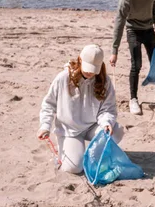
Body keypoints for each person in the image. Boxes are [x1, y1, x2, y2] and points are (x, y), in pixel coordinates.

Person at [37, 44, 124, 174]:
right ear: (80, 60)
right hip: (70, 130)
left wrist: (106, 122)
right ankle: (68, 146)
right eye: (88, 68)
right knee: (74, 168)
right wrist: (45, 126)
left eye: (94, 69)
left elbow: (108, 108)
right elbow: (49, 104)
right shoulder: (63, 78)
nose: (90, 73)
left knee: (117, 131)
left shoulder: (105, 80)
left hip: (92, 126)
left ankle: (92, 152)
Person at [110, 0, 155, 115]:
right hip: (133, 30)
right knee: (137, 64)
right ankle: (133, 99)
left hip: (148, 29)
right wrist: (114, 51)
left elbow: (154, 4)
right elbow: (119, 23)